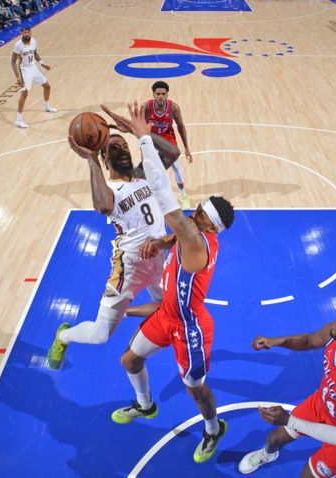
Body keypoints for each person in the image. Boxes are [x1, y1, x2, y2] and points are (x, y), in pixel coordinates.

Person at [100, 101, 234, 464]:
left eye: (201, 211)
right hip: (167, 314)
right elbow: (175, 233)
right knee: (130, 359)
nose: (197, 209)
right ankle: (145, 406)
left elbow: (164, 194)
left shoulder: (194, 239)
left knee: (195, 387)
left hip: (190, 327)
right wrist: (161, 242)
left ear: (208, 225)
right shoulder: (188, 237)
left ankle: (212, 428)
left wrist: (144, 137)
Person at [45, 123, 180, 365]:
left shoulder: (144, 175)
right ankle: (63, 336)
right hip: (130, 267)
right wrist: (90, 159)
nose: (123, 150)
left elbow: (172, 153)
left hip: (160, 258)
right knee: (101, 335)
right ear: (105, 158)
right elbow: (103, 206)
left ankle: (128, 312)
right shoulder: (110, 191)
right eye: (114, 148)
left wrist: (140, 133)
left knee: (173, 308)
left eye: (125, 146)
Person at [238, 308, 336, 477]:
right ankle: (267, 455)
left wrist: (291, 421)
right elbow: (309, 341)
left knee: (307, 476)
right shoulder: (334, 333)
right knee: (275, 438)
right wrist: (277, 341)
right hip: (324, 402)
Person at [145, 81, 193, 209]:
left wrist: (187, 148)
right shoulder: (146, 107)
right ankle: (150, 196)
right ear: (153, 94)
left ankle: (183, 196)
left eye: (163, 94)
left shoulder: (174, 108)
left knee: (176, 166)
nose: (160, 96)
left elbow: (181, 127)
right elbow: (140, 127)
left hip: (168, 137)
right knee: (149, 169)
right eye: (158, 93)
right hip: (152, 138)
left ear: (167, 95)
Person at [11, 26, 56, 129]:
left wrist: (43, 64)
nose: (27, 34)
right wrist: (18, 77)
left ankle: (46, 105)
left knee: (47, 86)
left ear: (30, 33)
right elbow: (13, 62)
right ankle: (18, 120)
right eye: (25, 32)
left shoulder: (34, 41)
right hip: (25, 70)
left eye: (28, 32)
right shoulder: (18, 45)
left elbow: (35, 54)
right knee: (25, 93)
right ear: (22, 33)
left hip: (34, 67)